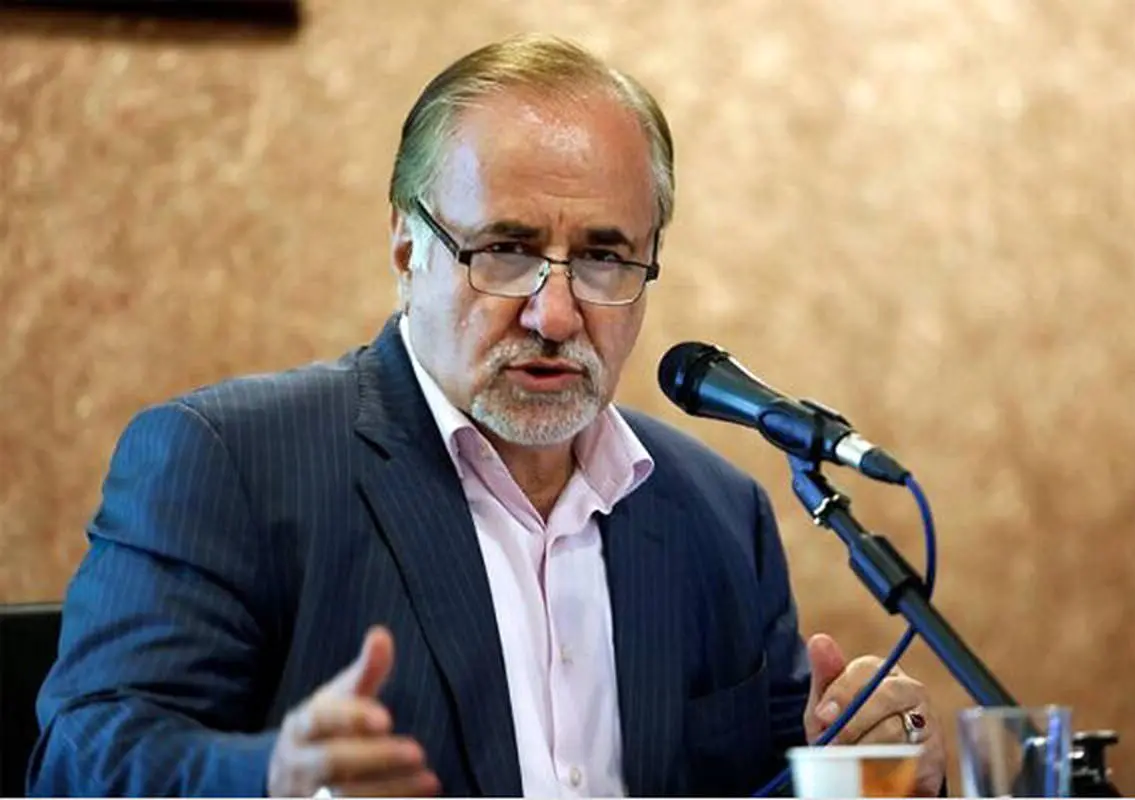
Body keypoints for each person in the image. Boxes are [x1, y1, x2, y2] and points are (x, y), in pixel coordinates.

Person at [29, 33, 947, 797]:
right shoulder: (228, 462)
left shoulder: (717, 512)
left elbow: (769, 779)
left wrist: (868, 764)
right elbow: (79, 763)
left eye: (604, 258)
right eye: (506, 249)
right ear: (407, 244)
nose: (556, 314)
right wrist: (272, 777)